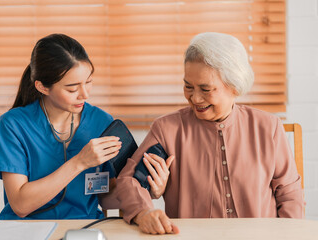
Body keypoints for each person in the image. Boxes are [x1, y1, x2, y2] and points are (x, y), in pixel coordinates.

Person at [115, 32, 305, 234]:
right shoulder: (167, 129)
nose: (195, 98)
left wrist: (290, 235)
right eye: (188, 86)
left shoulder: (268, 127)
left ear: (234, 86)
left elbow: (289, 194)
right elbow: (129, 180)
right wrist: (143, 212)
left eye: (205, 89)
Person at [0, 33, 122, 220]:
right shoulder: (13, 125)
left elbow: (107, 199)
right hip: (27, 230)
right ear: (43, 87)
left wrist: (147, 188)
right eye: (72, 89)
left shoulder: (101, 121)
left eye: (89, 82)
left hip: (84, 229)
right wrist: (79, 163)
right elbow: (20, 205)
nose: (85, 95)